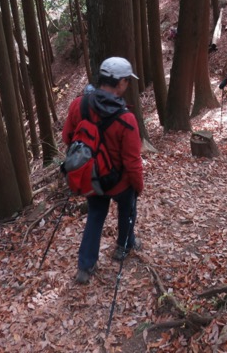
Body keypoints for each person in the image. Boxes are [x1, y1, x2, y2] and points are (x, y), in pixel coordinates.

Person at [62, 57, 144, 284]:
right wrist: (139, 185)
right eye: (127, 81)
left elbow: (67, 137)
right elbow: (132, 161)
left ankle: (85, 267)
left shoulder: (79, 105)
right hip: (119, 182)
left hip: (92, 179)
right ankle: (123, 246)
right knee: (127, 210)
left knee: (96, 216)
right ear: (119, 83)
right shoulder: (127, 119)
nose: (127, 85)